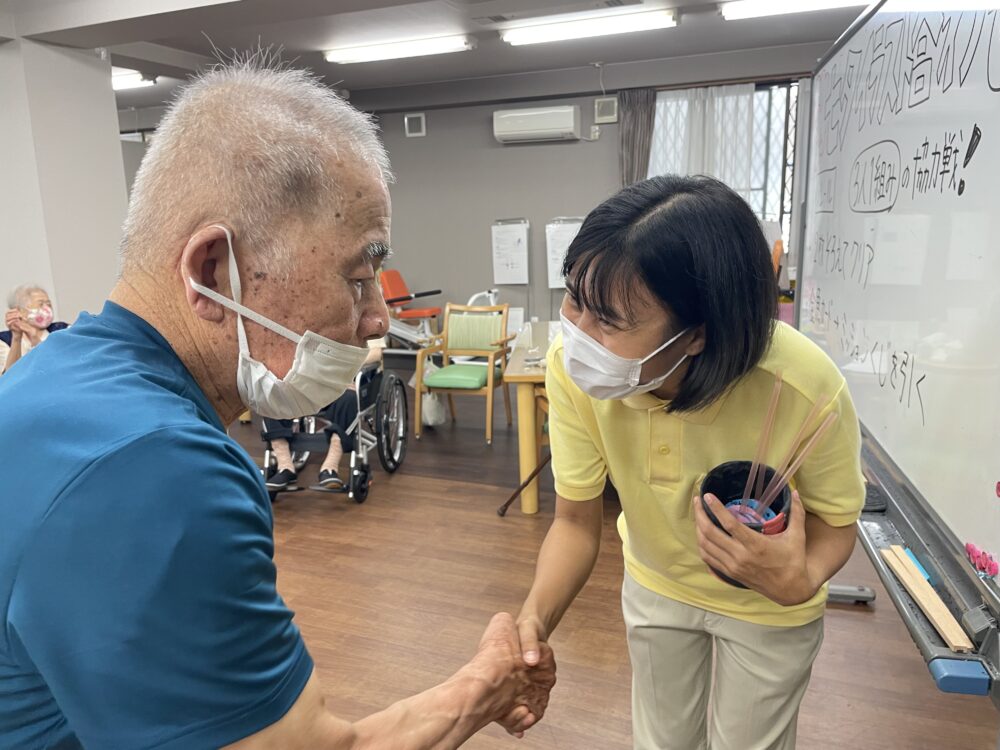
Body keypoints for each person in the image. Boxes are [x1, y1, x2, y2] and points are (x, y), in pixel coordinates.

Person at [0, 58, 554, 749]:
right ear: (212, 270)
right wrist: (486, 684)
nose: (379, 317)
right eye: (358, 277)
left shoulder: (54, 375)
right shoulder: (156, 470)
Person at [514, 175, 864, 750]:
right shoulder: (571, 368)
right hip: (656, 583)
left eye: (608, 320)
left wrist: (799, 579)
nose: (576, 333)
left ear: (697, 334)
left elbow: (836, 522)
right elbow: (575, 521)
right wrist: (535, 619)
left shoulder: (802, 385)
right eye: (575, 297)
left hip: (768, 604)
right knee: (661, 740)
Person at [263, 338, 384, 491]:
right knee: (271, 398)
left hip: (342, 383)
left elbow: (376, 353)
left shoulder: (365, 319)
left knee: (349, 399)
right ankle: (285, 466)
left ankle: (330, 467)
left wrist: (339, 367)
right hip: (306, 383)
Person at [1, 285, 68, 373]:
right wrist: (16, 338)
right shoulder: (4, 340)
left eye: (49, 304)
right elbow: (9, 376)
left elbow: (61, 364)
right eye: (40, 304)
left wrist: (35, 338)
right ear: (20, 311)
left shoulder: (62, 329)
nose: (47, 309)